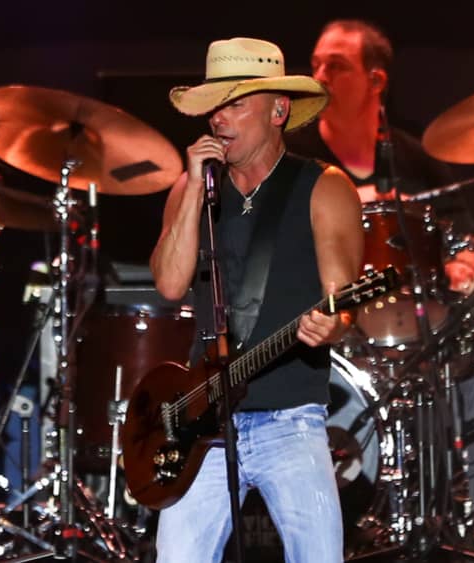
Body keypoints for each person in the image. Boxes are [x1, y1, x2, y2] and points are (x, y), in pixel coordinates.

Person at [285, 18, 474, 511]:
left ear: (376, 80)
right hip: (329, 333)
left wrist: (464, 268)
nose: (320, 76)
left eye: (337, 66)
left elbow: (466, 246)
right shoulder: (296, 156)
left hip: (421, 333)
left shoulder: (416, 160)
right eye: (316, 64)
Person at [149, 37, 364, 563]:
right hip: (203, 420)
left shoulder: (324, 187)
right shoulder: (191, 189)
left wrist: (333, 325)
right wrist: (191, 191)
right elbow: (170, 285)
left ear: (278, 110)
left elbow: (343, 303)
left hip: (291, 418)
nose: (219, 119)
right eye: (214, 107)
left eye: (236, 104)